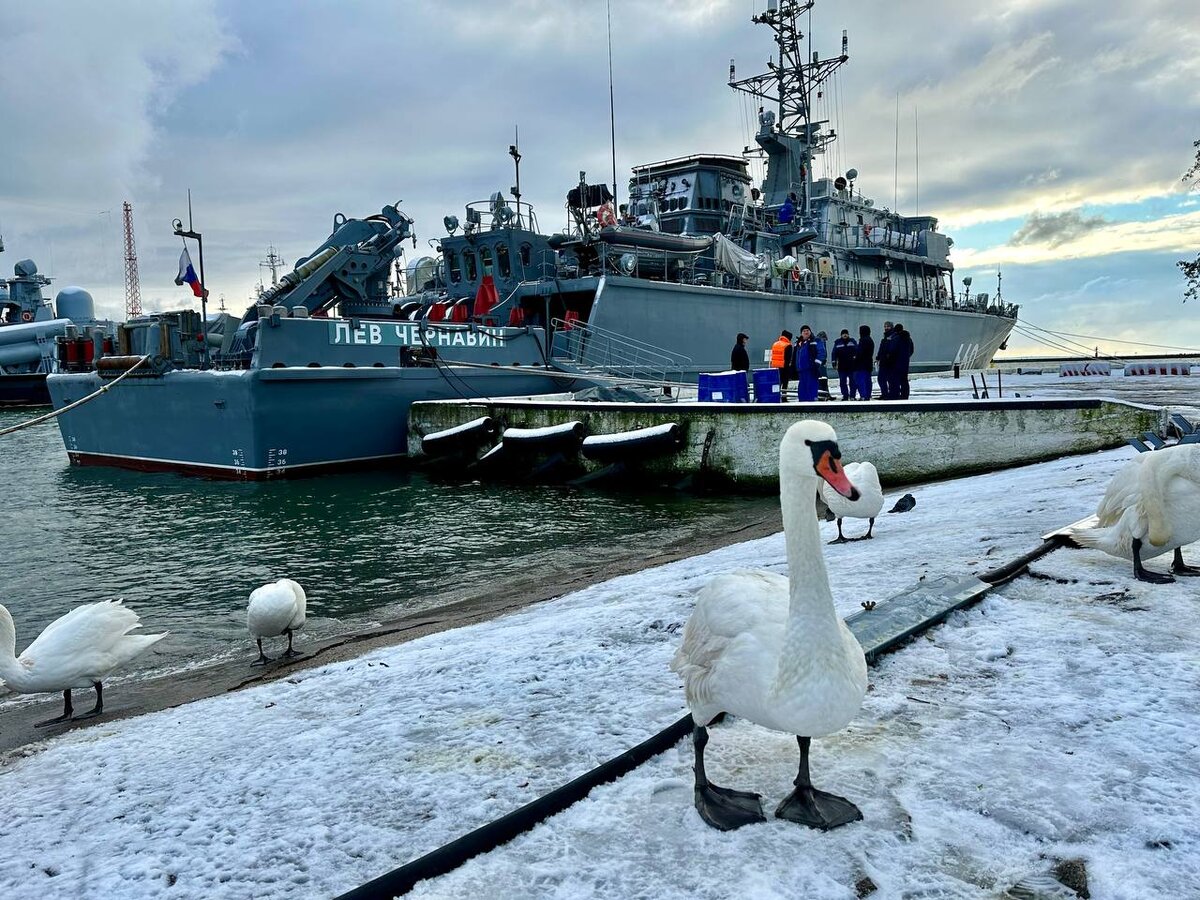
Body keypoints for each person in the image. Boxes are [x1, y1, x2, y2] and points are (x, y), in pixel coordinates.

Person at [793, 325, 821, 402]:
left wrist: (816, 364)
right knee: (802, 388)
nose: (806, 332)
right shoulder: (798, 343)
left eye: (807, 330)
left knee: (811, 387)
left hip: (811, 369)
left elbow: (821, 353)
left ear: (810, 332)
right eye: (804, 331)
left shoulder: (815, 341)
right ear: (801, 333)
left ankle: (812, 403)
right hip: (801, 370)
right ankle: (802, 403)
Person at [831, 328, 858, 400]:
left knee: (853, 382)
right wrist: (834, 363)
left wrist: (857, 360)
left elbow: (857, 351)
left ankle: (852, 396)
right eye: (843, 334)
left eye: (846, 334)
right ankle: (845, 395)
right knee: (842, 382)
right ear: (841, 335)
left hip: (852, 366)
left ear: (848, 334)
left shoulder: (852, 342)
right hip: (842, 366)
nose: (845, 335)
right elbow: (834, 353)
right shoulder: (837, 343)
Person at [892, 323, 915, 400]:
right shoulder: (909, 339)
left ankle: (897, 394)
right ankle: (905, 395)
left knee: (896, 380)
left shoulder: (896, 338)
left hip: (896, 362)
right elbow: (911, 350)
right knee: (904, 380)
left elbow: (893, 350)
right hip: (905, 362)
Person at [771, 329, 794, 400]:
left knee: (777, 383)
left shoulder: (775, 344)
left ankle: (775, 396)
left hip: (775, 367)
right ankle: (784, 398)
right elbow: (788, 358)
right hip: (784, 367)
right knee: (784, 383)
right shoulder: (787, 345)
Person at [854, 324, 874, 400]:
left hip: (861, 364)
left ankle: (864, 395)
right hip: (868, 363)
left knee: (861, 380)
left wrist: (855, 358)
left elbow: (860, 352)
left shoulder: (863, 340)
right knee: (867, 380)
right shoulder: (870, 340)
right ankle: (867, 395)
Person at [876, 320, 894, 400]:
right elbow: (882, 348)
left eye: (888, 326)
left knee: (889, 379)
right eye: (885, 326)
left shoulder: (893, 336)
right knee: (881, 378)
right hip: (883, 362)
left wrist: (889, 356)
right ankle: (884, 393)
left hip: (889, 362)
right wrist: (878, 357)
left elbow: (892, 349)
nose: (886, 328)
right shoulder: (885, 338)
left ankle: (889, 394)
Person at [815, 330, 831, 399]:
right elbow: (821, 353)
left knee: (823, 379)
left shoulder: (820, 342)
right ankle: (824, 394)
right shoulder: (819, 343)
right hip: (821, 364)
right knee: (822, 379)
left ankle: (825, 393)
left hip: (822, 363)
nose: (825, 340)